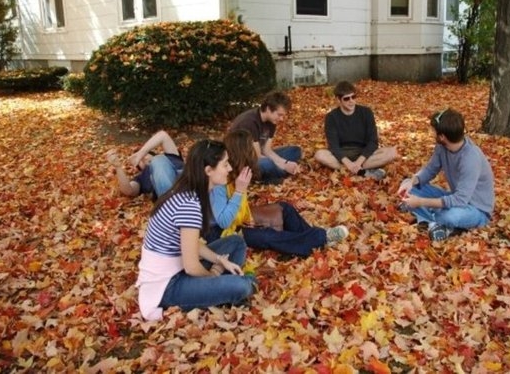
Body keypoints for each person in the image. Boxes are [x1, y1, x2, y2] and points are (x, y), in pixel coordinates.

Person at [136, 139, 255, 321]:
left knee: (236, 242)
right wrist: (212, 276)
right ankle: (221, 292)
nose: (230, 169)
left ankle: (218, 291)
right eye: (225, 164)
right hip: (167, 286)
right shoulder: (189, 204)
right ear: (208, 171)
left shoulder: (191, 193)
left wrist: (220, 261)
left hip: (179, 267)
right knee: (244, 286)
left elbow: (193, 245)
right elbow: (192, 266)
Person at [208, 129, 348, 258]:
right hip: (221, 232)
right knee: (266, 236)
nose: (255, 152)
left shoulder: (237, 172)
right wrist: (239, 191)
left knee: (284, 208)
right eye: (251, 148)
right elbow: (224, 222)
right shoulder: (220, 182)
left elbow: (240, 206)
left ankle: (316, 240)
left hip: (238, 220)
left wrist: (247, 216)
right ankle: (320, 238)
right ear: (242, 153)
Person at [397, 108, 495, 241]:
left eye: (434, 132)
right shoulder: (442, 147)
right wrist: (412, 181)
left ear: (442, 136)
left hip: (476, 209)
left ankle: (432, 220)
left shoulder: (470, 158)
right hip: (455, 198)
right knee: (407, 186)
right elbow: (430, 169)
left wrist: (420, 201)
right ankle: (437, 223)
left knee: (448, 216)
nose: (433, 134)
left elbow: (460, 200)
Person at [314, 81, 398, 181]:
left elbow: (373, 142)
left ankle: (351, 170)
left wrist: (358, 162)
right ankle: (362, 172)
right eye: (346, 98)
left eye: (353, 97)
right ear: (338, 100)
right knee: (319, 155)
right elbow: (334, 146)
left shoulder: (366, 112)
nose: (351, 101)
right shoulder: (331, 117)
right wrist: (348, 163)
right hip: (342, 154)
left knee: (392, 152)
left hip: (363, 153)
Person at [229, 90, 301, 184]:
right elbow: (258, 156)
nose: (281, 119)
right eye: (279, 115)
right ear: (268, 109)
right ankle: (273, 177)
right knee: (266, 163)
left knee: (295, 151)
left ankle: (273, 175)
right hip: (243, 161)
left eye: (283, 116)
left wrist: (285, 162)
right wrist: (283, 165)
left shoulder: (272, 121)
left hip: (259, 157)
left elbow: (266, 150)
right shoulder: (250, 122)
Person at [106, 130, 184, 199]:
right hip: (173, 199)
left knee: (158, 160)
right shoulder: (142, 178)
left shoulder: (170, 156)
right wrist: (118, 167)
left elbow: (163, 135)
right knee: (157, 161)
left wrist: (141, 153)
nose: (143, 158)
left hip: (189, 182)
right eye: (140, 161)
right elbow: (128, 190)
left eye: (145, 155)